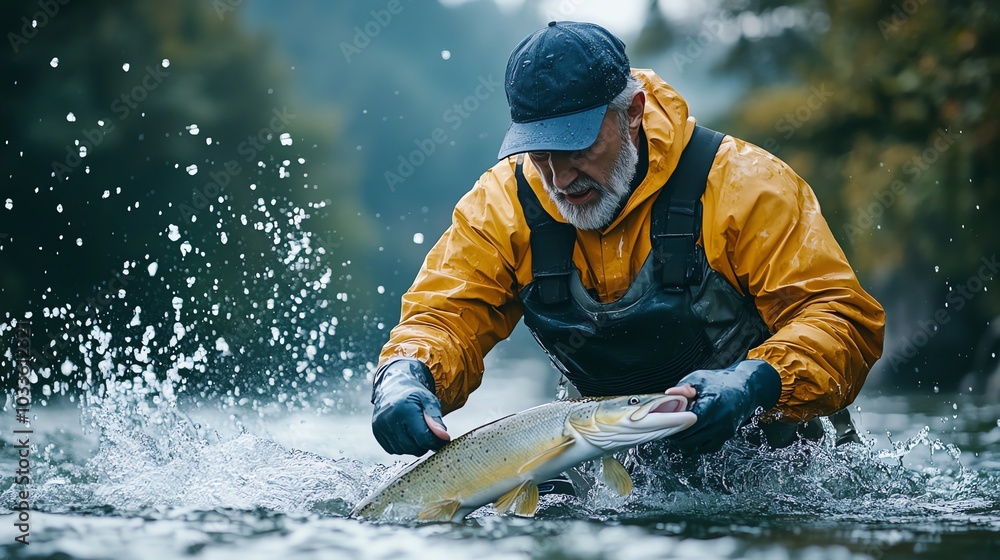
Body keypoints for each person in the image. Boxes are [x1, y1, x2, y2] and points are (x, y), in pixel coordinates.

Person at [370, 21, 885, 459]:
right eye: (541, 153)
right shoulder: (500, 208)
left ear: (632, 111)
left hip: (778, 463)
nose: (561, 178)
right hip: (614, 465)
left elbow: (841, 317)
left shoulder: (745, 186)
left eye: (577, 147)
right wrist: (405, 375)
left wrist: (755, 382)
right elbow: (442, 318)